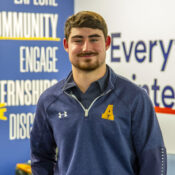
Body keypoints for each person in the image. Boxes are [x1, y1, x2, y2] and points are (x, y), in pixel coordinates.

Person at [30, 11, 167, 175]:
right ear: (66, 45)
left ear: (107, 42)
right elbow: (40, 159)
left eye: (94, 39)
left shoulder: (135, 98)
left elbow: (153, 161)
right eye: (78, 40)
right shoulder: (49, 100)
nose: (86, 48)